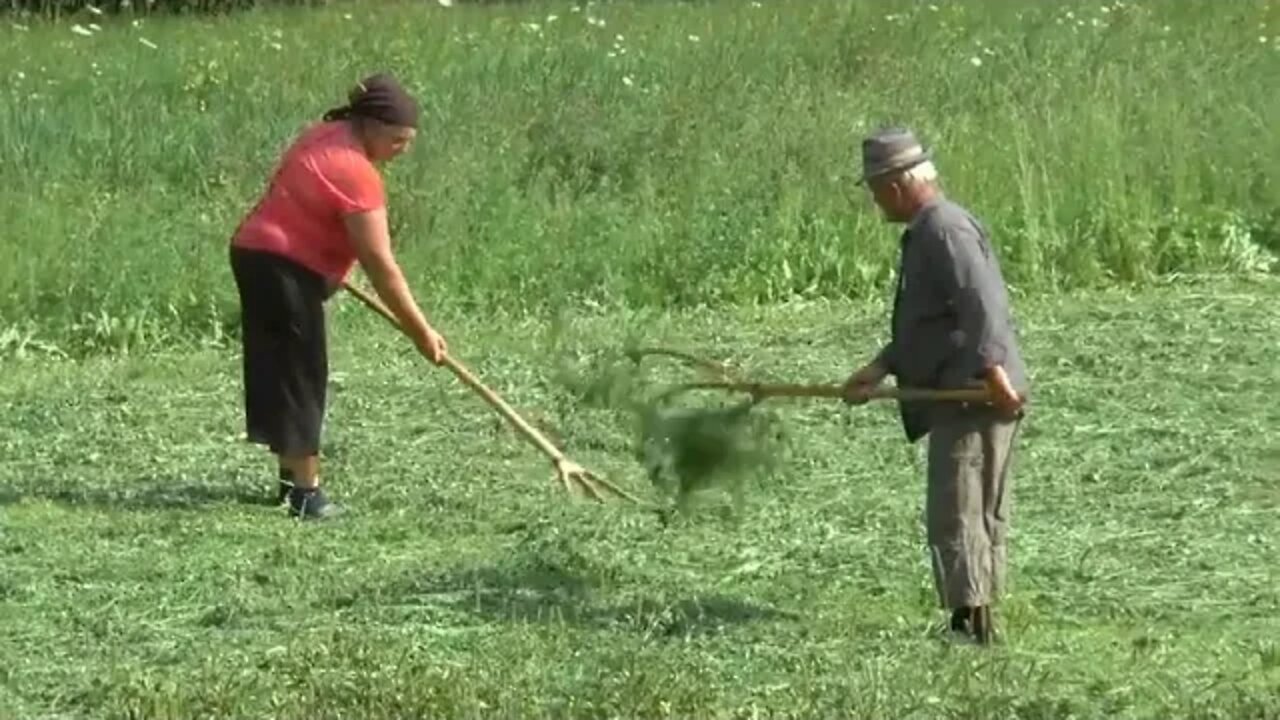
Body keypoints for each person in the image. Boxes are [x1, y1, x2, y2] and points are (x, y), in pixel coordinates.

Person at [228, 72, 448, 520]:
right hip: (280, 266)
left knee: (283, 371)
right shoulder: (354, 170)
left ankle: (291, 483)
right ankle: (307, 495)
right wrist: (420, 332)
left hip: (257, 256)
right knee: (301, 374)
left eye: (408, 141)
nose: (402, 150)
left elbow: (301, 203)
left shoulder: (324, 134)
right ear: (370, 124)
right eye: (397, 140)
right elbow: (382, 266)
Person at [842, 127, 1029, 644]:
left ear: (898, 184)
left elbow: (983, 303)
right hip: (959, 387)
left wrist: (994, 375)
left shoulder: (943, 230)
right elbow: (932, 320)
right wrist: (880, 367)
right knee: (963, 506)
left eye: (875, 188)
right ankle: (970, 619)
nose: (875, 200)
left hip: (971, 393)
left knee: (963, 508)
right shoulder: (930, 230)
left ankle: (973, 629)